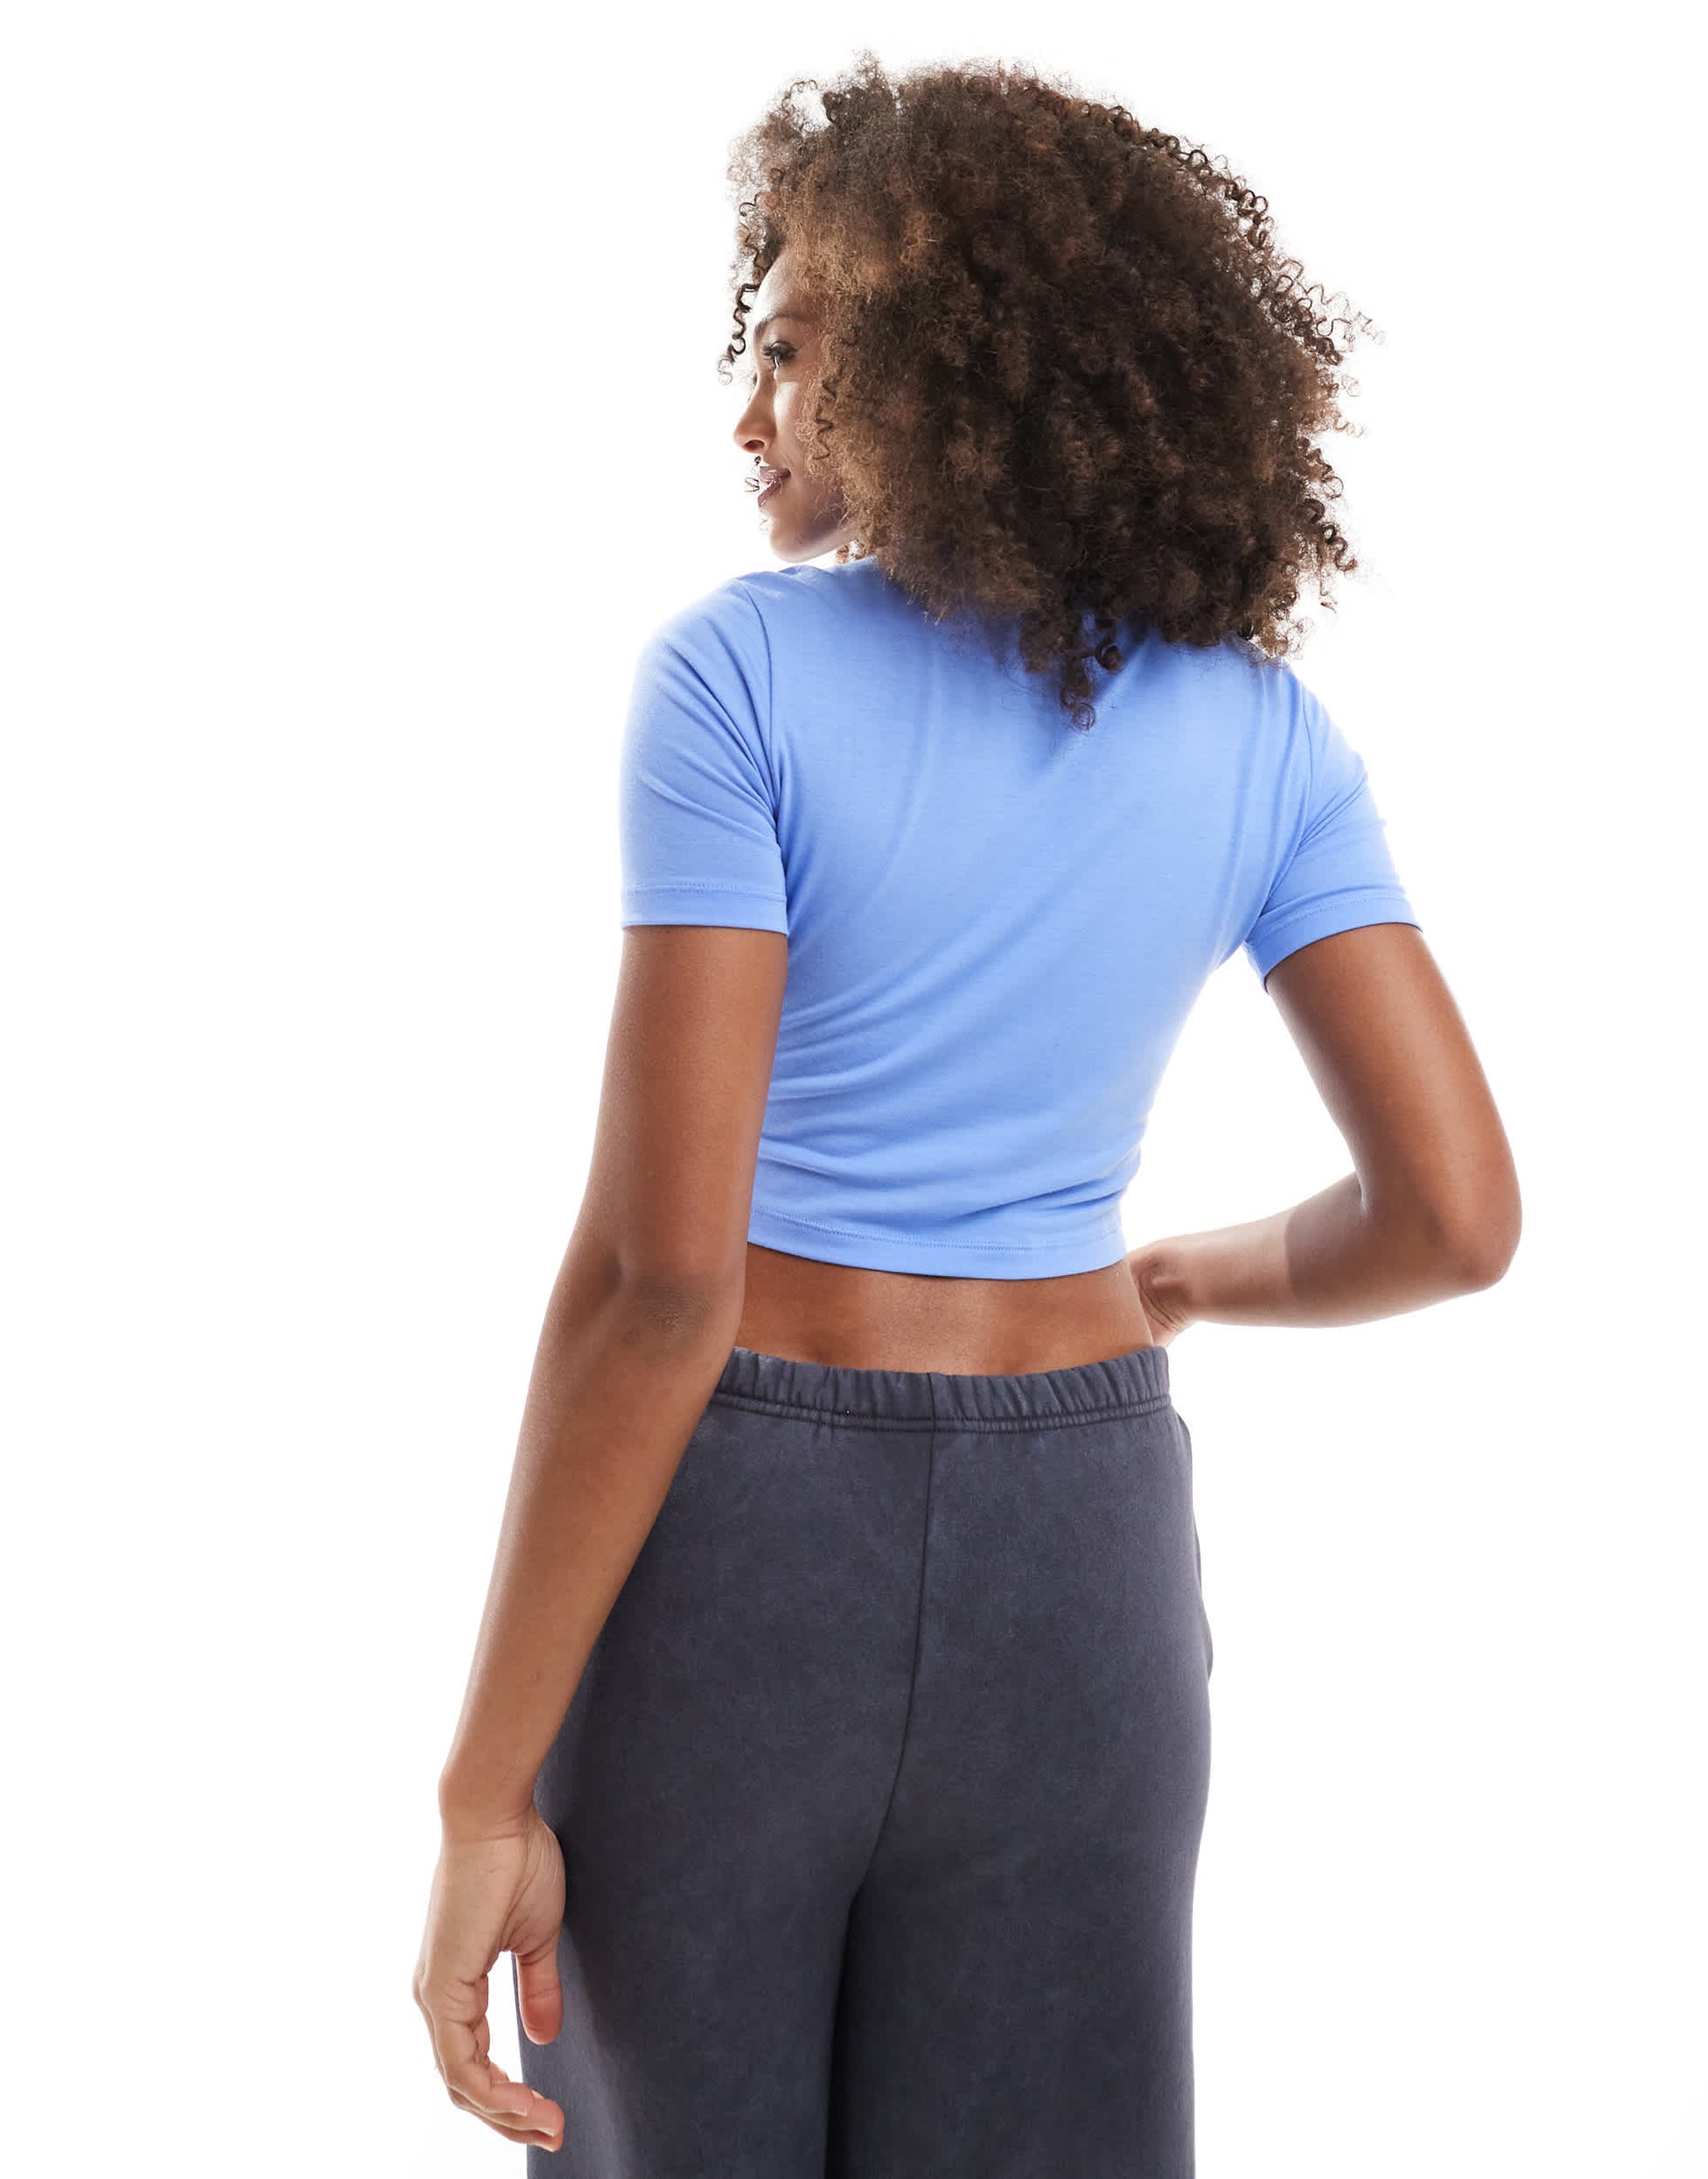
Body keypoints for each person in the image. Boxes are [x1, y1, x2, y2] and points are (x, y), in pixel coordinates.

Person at [413, 54, 1521, 2176]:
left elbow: (659, 1284)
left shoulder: (734, 680)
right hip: (1081, 1554)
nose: (748, 410)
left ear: (930, 370)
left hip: (747, 1538)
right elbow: (1454, 1217)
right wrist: (1171, 1279)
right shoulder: (1266, 733)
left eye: (787, 348)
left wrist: (482, 1797)